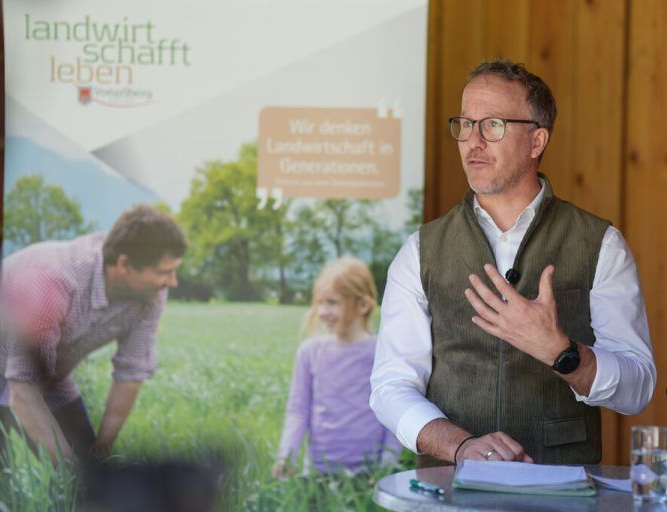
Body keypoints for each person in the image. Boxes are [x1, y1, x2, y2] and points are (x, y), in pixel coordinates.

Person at [370, 59, 656, 467]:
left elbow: (638, 387)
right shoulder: (420, 250)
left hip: (562, 492)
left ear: (537, 141)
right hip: (451, 493)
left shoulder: (601, 244)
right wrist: (460, 446)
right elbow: (391, 386)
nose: (473, 141)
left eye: (493, 125)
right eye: (466, 125)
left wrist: (562, 353)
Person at [0, 204, 186, 462]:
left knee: (88, 464)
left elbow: (130, 374)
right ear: (124, 264)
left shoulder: (151, 294)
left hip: (51, 376)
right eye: (164, 272)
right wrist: (68, 466)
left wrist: (101, 452)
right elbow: (22, 385)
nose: (173, 282)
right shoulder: (51, 280)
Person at [273, 257, 401, 477]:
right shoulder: (309, 352)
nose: (322, 312)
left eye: (332, 302)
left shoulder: (382, 353)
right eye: (319, 302)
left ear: (363, 305)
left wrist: (386, 468)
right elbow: (297, 411)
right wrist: (286, 456)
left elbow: (393, 414)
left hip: (368, 474)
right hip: (318, 474)